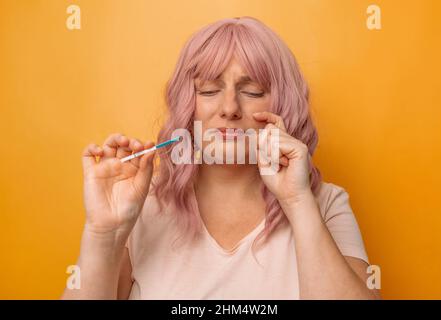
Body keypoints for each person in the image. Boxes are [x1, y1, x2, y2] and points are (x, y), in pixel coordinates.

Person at [61, 16, 381, 300]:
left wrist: (297, 201)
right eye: (209, 90)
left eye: (253, 90)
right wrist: (102, 233)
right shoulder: (141, 206)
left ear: (284, 104)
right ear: (188, 107)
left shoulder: (325, 205)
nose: (229, 108)